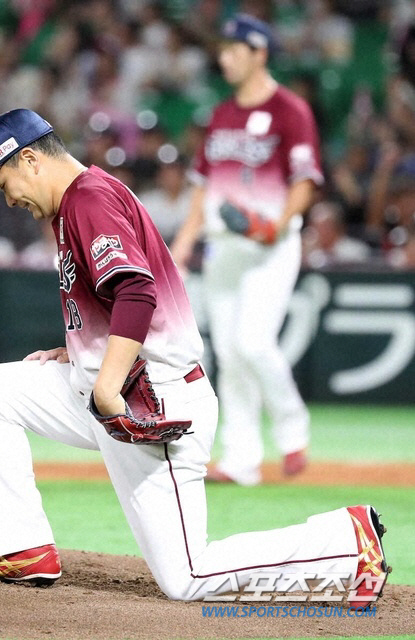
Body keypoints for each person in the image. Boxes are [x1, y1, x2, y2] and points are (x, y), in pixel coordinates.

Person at [0, 108, 389, 609]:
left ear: (28, 159)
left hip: (154, 401)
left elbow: (136, 292)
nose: (6, 197)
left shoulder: (89, 199)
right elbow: (108, 299)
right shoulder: (78, 199)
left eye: (1, 181)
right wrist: (78, 347)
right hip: (113, 386)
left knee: (186, 578)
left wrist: (108, 386)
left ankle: (346, 545)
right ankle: (19, 549)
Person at [171, 14, 322, 486]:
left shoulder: (289, 109)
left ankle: (293, 430)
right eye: (223, 49)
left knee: (254, 342)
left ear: (260, 53)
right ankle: (241, 460)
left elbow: (306, 180)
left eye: (234, 50)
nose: (224, 57)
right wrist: (183, 242)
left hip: (270, 246)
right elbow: (202, 188)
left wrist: (277, 226)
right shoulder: (222, 114)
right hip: (224, 246)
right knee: (231, 354)